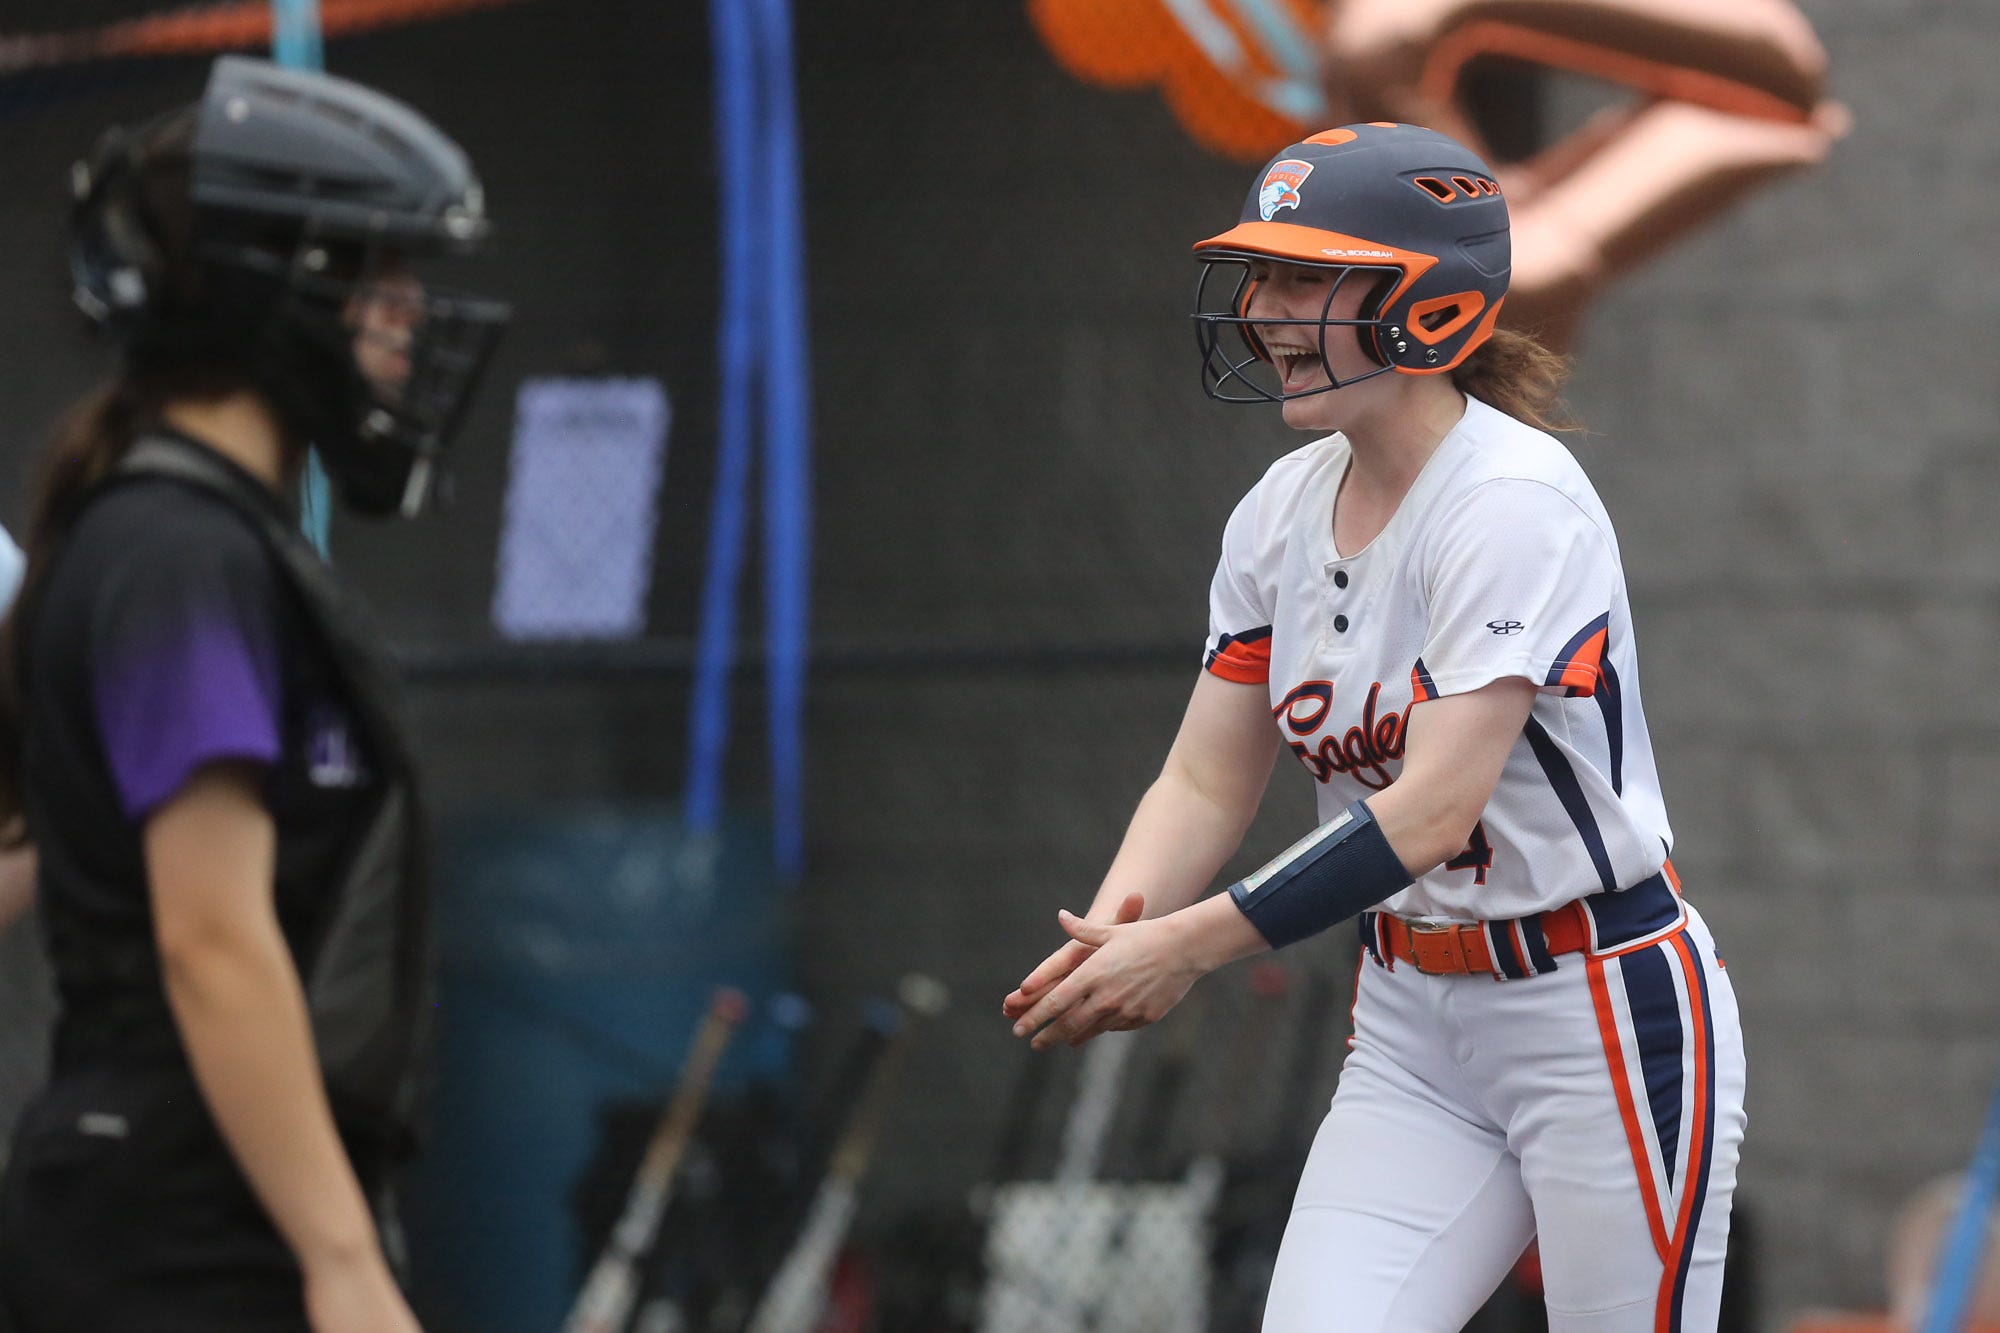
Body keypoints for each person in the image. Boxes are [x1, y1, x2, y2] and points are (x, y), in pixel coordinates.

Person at [1003, 122, 1746, 1331]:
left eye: (1302, 277)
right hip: (1411, 1021)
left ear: (1431, 305)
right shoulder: (1277, 510)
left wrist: (1187, 945)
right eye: (1258, 276)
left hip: (1594, 1006)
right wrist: (1115, 932)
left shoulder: (1508, 499)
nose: (1259, 310)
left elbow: (1429, 810)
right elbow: (1202, 781)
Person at [0, 56, 508, 1332]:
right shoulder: (177, 554)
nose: (406, 320)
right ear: (276, 295)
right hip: (174, 1234)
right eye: (379, 278)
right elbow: (209, 935)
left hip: (196, 1207)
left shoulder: (192, 535)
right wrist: (340, 1259)